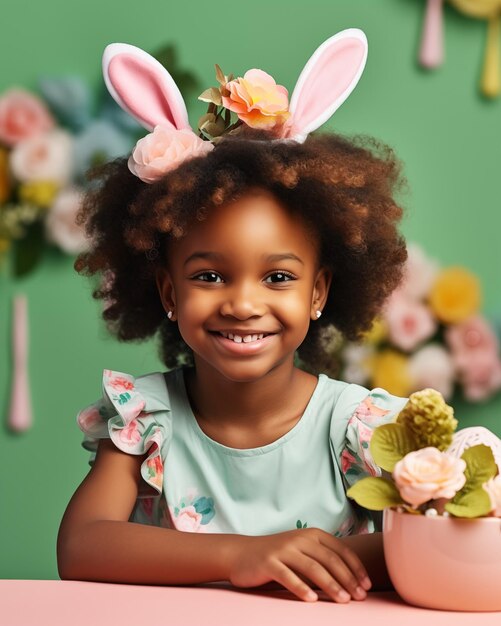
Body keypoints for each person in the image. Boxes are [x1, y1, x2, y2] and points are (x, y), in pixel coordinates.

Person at [57, 29, 410, 604]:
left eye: (277, 277)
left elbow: (435, 538)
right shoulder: (144, 421)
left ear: (318, 291)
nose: (243, 304)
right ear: (168, 291)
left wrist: (292, 556)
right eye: (209, 276)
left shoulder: (359, 427)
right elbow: (81, 549)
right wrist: (244, 555)